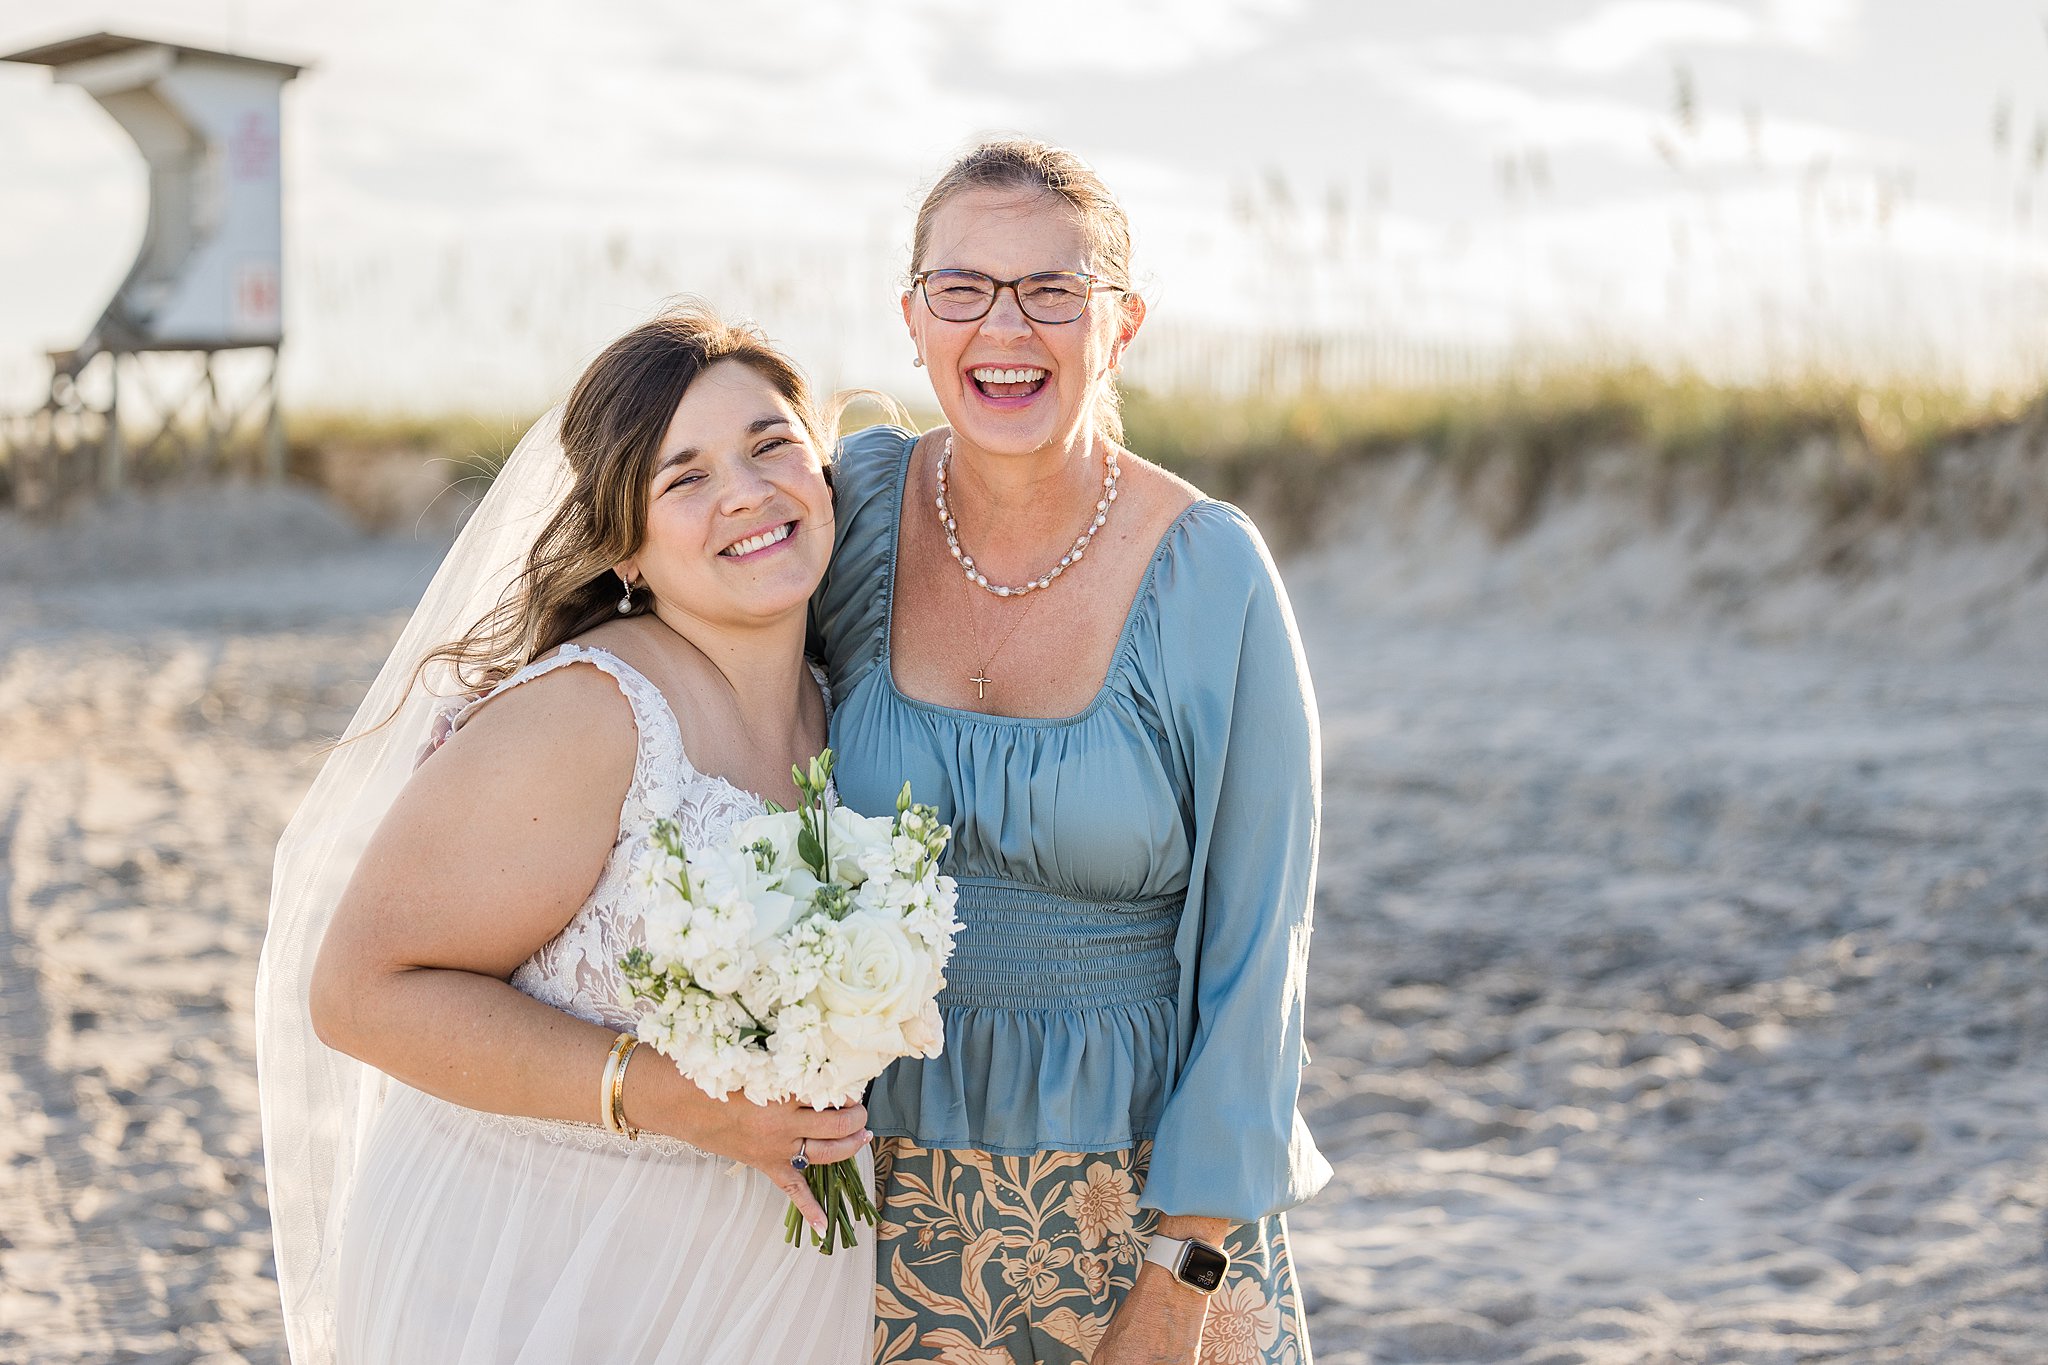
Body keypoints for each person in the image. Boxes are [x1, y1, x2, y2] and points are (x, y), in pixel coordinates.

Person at [257, 306, 875, 1365]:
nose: (745, 491)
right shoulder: (590, 715)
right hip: (541, 1270)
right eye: (684, 478)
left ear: (823, 471)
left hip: (761, 1287)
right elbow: (358, 994)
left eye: (772, 445)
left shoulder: (849, 706)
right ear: (626, 548)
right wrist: (669, 1098)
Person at [813, 140, 1330, 1365]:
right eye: (963, 288)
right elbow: (683, 614)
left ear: (1121, 324)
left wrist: (1180, 1278)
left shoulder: (1212, 575)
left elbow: (1262, 961)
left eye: (1053, 290)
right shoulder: (849, 515)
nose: (1006, 326)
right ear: (912, 316)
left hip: (1138, 1207)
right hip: (866, 1191)